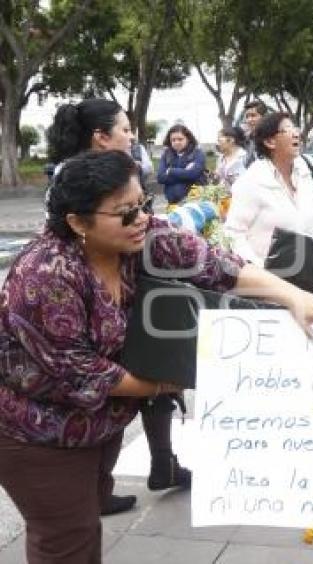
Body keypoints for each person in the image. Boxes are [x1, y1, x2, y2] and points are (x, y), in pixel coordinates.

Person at [0, 150, 313, 564]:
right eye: (125, 213)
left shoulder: (142, 238)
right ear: (77, 222)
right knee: (65, 536)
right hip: (35, 432)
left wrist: (296, 297)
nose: (142, 219)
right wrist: (184, 380)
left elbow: (219, 266)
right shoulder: (46, 276)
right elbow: (81, 373)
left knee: (82, 517)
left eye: (143, 204)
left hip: (100, 423)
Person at [46, 98, 190, 516]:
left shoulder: (122, 177)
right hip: (98, 302)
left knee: (153, 361)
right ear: (100, 137)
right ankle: (100, 481)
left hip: (126, 289)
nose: (132, 136)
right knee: (127, 374)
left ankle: (160, 459)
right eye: (125, 129)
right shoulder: (73, 186)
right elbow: (76, 366)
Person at [224, 112, 313, 265]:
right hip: (271, 278)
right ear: (270, 142)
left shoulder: (310, 167)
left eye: (295, 127)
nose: (296, 133)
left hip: (309, 267)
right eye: (287, 129)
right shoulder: (251, 182)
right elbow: (233, 233)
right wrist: (260, 269)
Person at [156, 124, 206, 206]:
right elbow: (160, 177)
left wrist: (171, 171)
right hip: (172, 203)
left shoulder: (197, 153)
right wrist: (184, 173)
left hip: (194, 202)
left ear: (188, 139)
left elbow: (193, 174)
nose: (176, 142)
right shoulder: (166, 154)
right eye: (173, 140)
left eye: (180, 139)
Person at [242, 99, 268, 168]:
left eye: (253, 116)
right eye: (247, 116)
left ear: (264, 117)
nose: (249, 120)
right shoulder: (247, 140)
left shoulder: (272, 139)